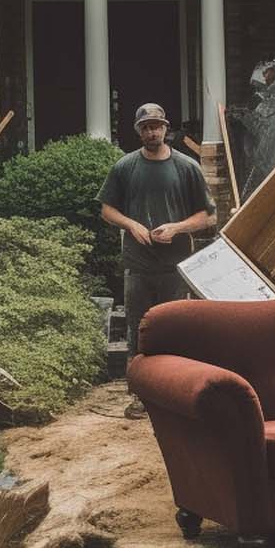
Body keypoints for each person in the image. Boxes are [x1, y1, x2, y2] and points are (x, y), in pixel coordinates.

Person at [99, 103, 214, 418]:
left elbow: (207, 216)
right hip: (138, 265)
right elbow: (106, 210)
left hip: (176, 266)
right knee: (139, 332)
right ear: (139, 131)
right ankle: (139, 397)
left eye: (157, 126)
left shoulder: (186, 167)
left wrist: (177, 228)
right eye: (146, 127)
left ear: (166, 128)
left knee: (175, 331)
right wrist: (131, 224)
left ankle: (175, 396)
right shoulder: (125, 167)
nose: (152, 132)